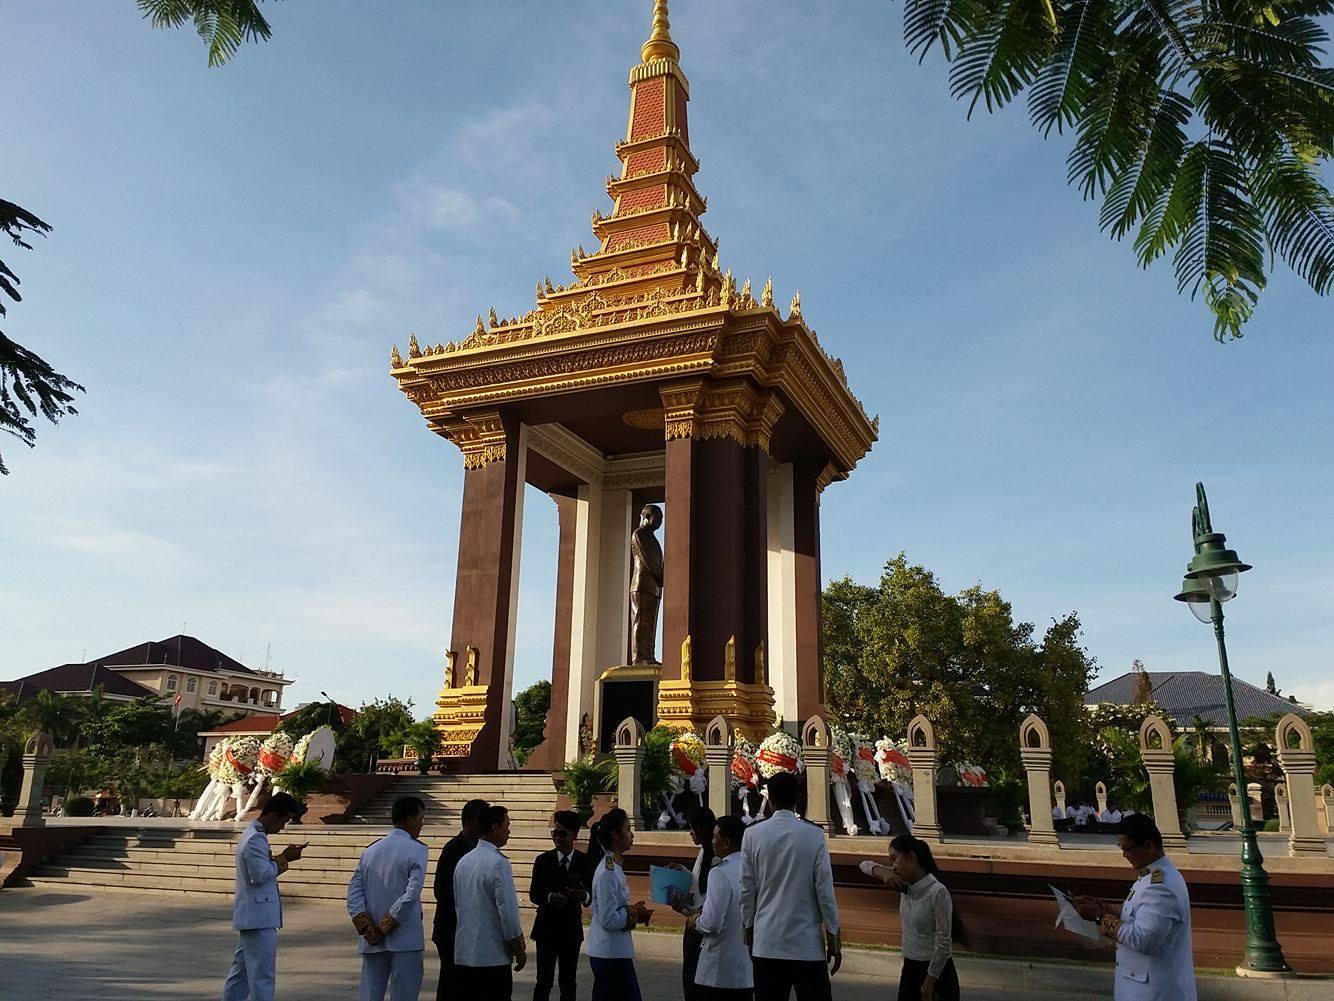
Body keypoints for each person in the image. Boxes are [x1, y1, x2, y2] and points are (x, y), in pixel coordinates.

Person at [739, 770, 841, 1001]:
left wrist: (749, 928)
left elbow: (747, 890)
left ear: (770, 799)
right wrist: (833, 935)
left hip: (767, 940)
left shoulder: (753, 835)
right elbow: (825, 890)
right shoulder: (813, 835)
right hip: (806, 943)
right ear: (798, 799)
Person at [1074, 814, 1196, 1000]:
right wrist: (1108, 911)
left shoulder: (1161, 887)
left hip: (1154, 992)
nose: (1124, 855)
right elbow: (1138, 922)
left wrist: (1100, 917)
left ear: (1148, 845)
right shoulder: (1149, 877)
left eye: (1127, 848)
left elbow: (1144, 939)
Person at [221, 792, 306, 1001]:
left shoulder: (254, 835)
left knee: (241, 974)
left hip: (254, 915)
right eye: (284, 820)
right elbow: (260, 875)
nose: (282, 827)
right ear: (273, 815)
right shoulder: (255, 839)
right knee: (262, 975)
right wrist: (284, 859)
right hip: (258, 917)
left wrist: (279, 859)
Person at [347, 796, 430, 1001]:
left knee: (370, 992)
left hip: (373, 937)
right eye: (420, 819)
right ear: (410, 820)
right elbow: (411, 894)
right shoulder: (417, 849)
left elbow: (354, 891)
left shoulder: (371, 850)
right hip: (404, 936)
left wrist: (367, 926)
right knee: (405, 993)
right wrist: (385, 925)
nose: (421, 824)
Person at [861, 836, 962, 1001]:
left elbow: (943, 944)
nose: (893, 867)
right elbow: (864, 865)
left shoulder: (937, 892)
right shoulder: (904, 884)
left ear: (911, 857)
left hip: (936, 974)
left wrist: (928, 986)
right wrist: (882, 872)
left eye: (895, 859)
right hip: (910, 969)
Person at [453, 804, 526, 997]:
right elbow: (508, 912)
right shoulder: (498, 863)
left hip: (465, 953)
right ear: (494, 827)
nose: (508, 831)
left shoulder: (464, 861)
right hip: (492, 955)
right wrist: (519, 948)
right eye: (506, 826)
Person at [587, 807, 653, 1001]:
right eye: (627, 828)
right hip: (609, 954)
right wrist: (634, 913)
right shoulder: (607, 872)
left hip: (615, 952)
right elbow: (608, 919)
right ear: (615, 835)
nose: (632, 834)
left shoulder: (614, 866)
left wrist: (633, 910)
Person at [688, 815, 753, 1000]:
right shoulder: (751, 868)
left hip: (718, 969)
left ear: (726, 843)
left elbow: (711, 923)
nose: (712, 841)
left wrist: (695, 921)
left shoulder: (720, 872)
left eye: (716, 837)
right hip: (745, 967)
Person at [528, 810, 589, 1001]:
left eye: (563, 834)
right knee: (543, 981)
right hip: (546, 928)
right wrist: (549, 897)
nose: (558, 838)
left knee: (568, 981)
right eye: (555, 833)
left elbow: (592, 896)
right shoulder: (543, 860)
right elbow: (534, 893)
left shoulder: (583, 861)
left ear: (574, 835)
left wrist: (583, 895)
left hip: (570, 929)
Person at [431, 797, 488, 1000]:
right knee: (451, 981)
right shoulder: (454, 849)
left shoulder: (481, 848)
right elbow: (441, 890)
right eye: (482, 820)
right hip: (451, 929)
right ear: (469, 821)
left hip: (470, 930)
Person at [672, 807, 716, 1001]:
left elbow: (712, 892)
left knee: (699, 981)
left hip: (703, 922)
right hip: (693, 920)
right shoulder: (703, 851)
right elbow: (699, 883)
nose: (690, 833)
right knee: (689, 977)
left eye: (693, 828)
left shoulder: (716, 857)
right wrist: (683, 871)